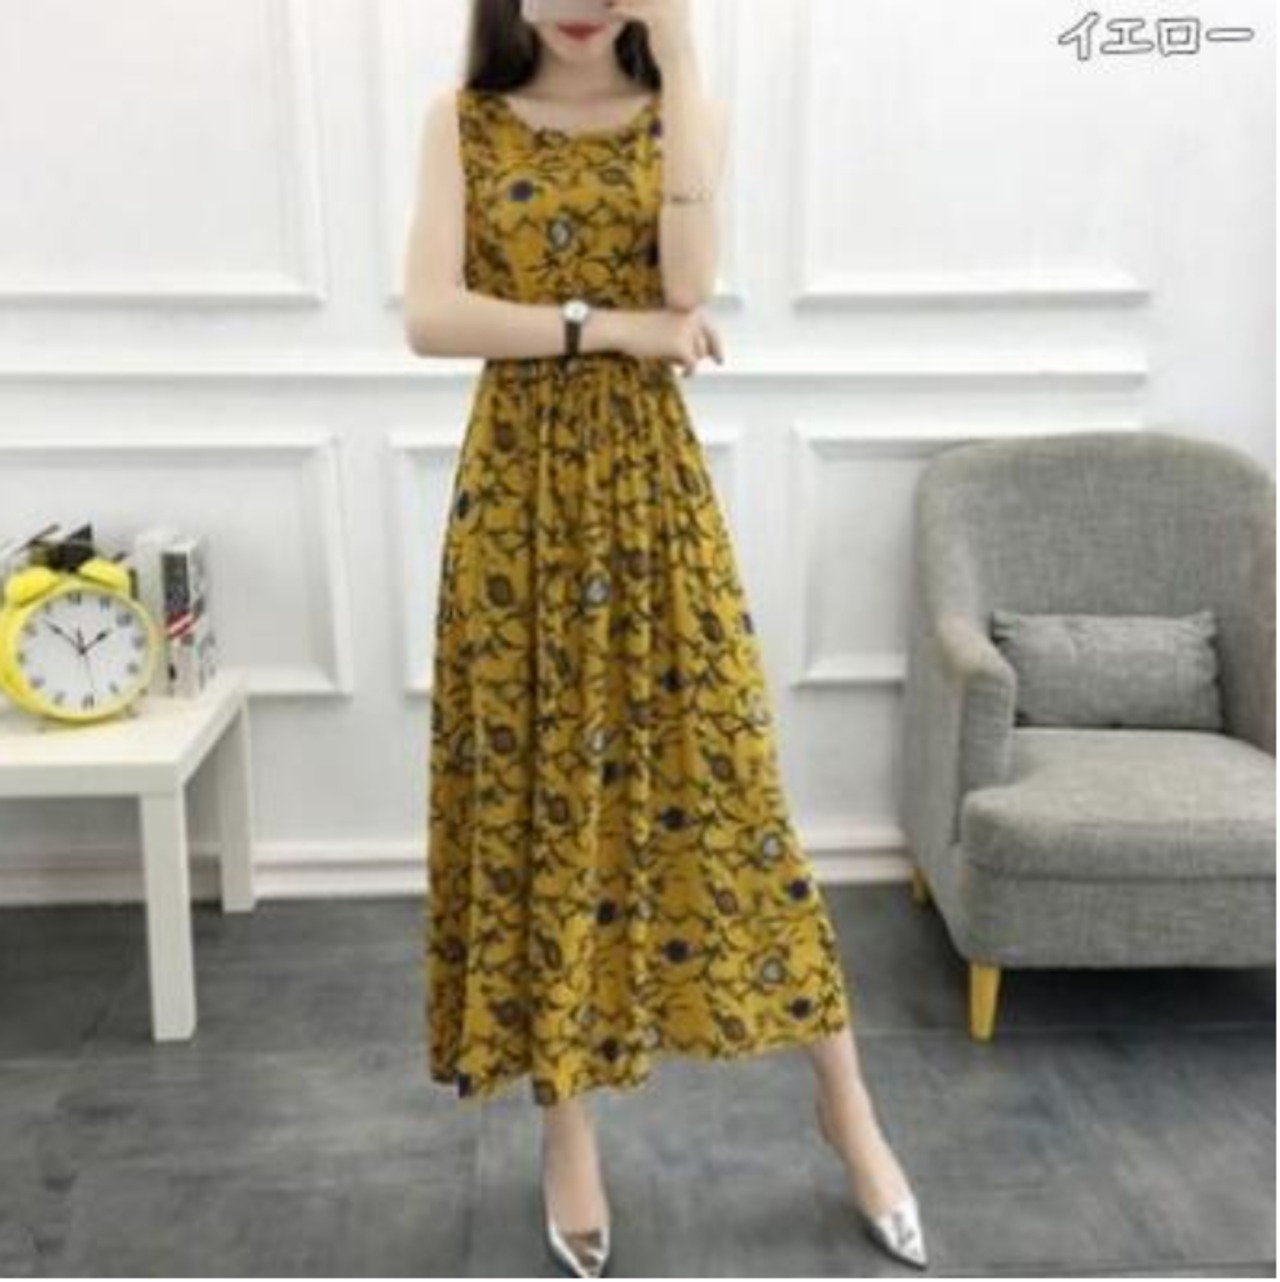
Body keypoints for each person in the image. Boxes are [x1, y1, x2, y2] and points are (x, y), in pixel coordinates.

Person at [403, 0, 927, 1273]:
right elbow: (431, 316)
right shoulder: (461, 122)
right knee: (541, 804)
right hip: (516, 509)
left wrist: (681, 51)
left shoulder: (688, 113)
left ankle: (845, 1103)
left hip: (650, 501)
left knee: (737, 792)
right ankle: (567, 1128)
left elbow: (687, 284)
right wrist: (610, 327)